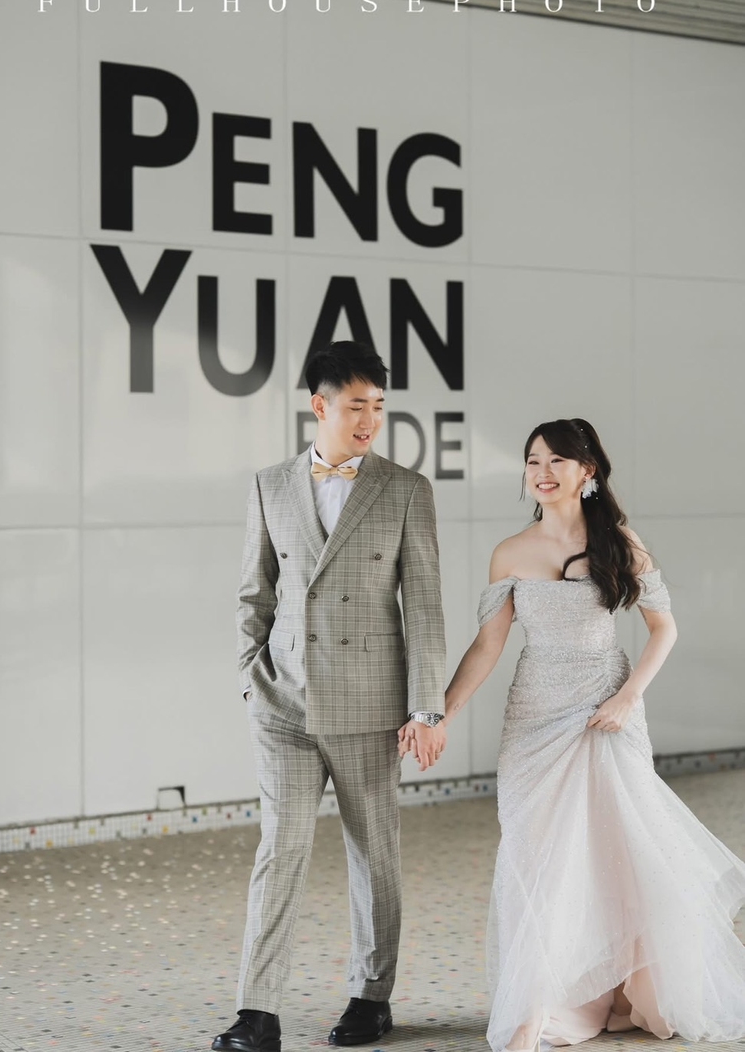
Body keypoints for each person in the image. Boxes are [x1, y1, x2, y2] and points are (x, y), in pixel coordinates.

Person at [419, 418, 745, 1051]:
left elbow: (665, 629)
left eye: (556, 461)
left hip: (606, 711)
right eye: (532, 461)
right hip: (534, 717)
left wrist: (627, 697)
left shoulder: (620, 543)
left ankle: (625, 990)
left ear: (587, 471)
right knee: (534, 851)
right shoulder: (510, 552)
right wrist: (443, 715)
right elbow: (488, 646)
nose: (541, 473)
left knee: (615, 849)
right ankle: (543, 997)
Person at [213, 340, 448, 1052]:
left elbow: (424, 609)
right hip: (282, 702)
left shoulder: (405, 489)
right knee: (278, 850)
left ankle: (371, 996)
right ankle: (257, 1013)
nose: (370, 419)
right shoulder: (269, 485)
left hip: (370, 706)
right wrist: (250, 676)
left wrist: (425, 708)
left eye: (378, 406)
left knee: (373, 854)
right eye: (355, 406)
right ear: (320, 406)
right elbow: (254, 593)